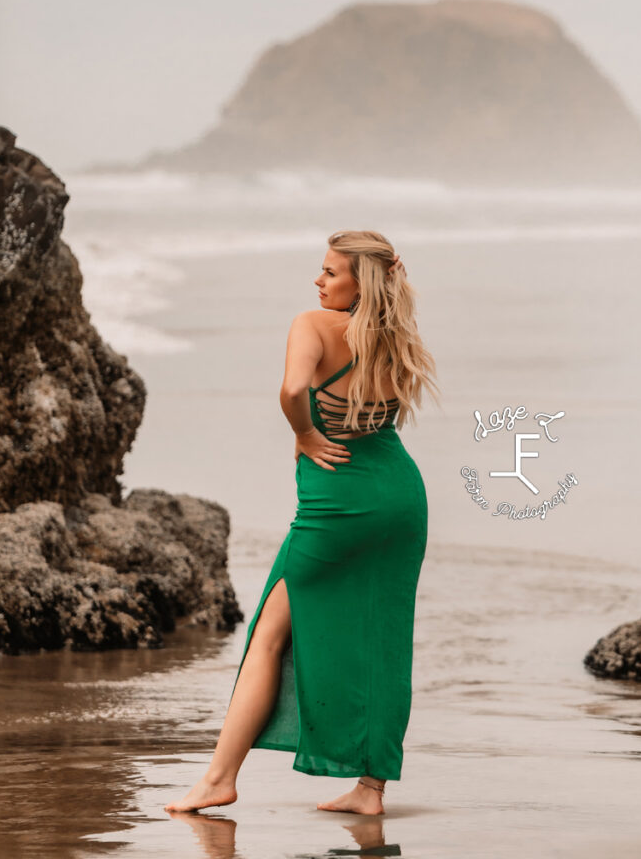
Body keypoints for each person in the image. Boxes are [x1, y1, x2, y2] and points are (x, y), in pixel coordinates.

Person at [165, 229, 438, 816]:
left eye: (330, 272)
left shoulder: (312, 325)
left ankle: (219, 778)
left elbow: (293, 389)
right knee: (383, 640)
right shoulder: (395, 333)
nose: (318, 282)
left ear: (359, 281)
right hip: (399, 497)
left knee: (268, 636)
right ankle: (370, 791)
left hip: (337, 505)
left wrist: (306, 432)